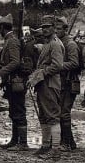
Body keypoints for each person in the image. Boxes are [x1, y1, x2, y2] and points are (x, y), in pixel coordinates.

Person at [0, 14, 28, 150]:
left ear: (1, 27)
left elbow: (15, 62)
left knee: (18, 111)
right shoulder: (10, 40)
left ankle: (23, 143)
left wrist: (0, 73)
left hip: (16, 82)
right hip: (11, 82)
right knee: (13, 111)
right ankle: (14, 140)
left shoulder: (11, 41)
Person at [32, 16, 65, 153]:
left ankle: (55, 148)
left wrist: (42, 72)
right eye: (43, 27)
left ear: (54, 27)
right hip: (43, 83)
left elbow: (57, 65)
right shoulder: (48, 43)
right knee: (44, 115)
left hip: (50, 83)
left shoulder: (55, 44)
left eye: (47, 27)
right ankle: (45, 145)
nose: (44, 29)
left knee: (52, 115)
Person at [56, 16, 81, 150]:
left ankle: (66, 143)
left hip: (70, 83)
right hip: (61, 82)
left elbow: (74, 63)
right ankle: (70, 142)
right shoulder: (58, 42)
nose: (56, 31)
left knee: (64, 113)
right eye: (55, 28)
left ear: (65, 29)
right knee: (61, 112)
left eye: (59, 29)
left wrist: (58, 65)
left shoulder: (70, 44)